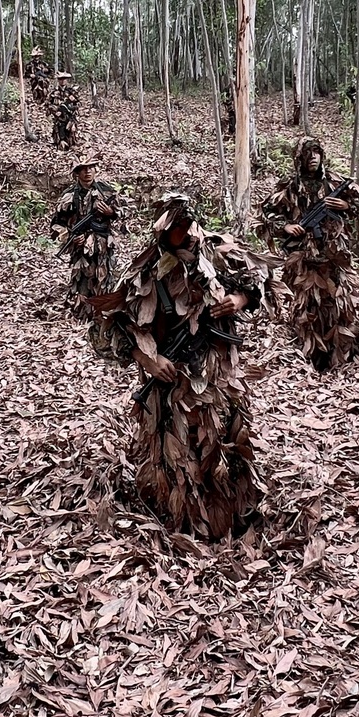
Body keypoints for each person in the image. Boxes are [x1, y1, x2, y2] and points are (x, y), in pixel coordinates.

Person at [91, 194, 265, 539]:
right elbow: (108, 327)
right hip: (174, 380)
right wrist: (147, 358)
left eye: (188, 225)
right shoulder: (146, 271)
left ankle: (234, 515)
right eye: (176, 227)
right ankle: (186, 527)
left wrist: (239, 300)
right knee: (180, 455)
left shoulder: (215, 253)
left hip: (219, 372)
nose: (184, 233)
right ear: (162, 230)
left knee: (228, 440)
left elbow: (261, 279)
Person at [258, 137, 359, 371]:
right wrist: (285, 226)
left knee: (339, 306)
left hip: (334, 257)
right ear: (299, 158)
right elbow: (265, 213)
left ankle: (346, 359)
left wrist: (346, 207)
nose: (313, 156)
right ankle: (312, 360)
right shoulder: (289, 186)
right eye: (308, 152)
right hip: (303, 260)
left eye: (317, 152)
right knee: (307, 309)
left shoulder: (335, 182)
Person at [49, 159, 123, 301]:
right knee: (83, 280)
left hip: (103, 244)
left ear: (96, 170)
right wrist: (71, 236)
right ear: (77, 173)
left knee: (104, 278)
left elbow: (125, 211)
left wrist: (111, 213)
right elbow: (57, 224)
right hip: (80, 247)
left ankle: (102, 306)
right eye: (83, 169)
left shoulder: (106, 190)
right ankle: (83, 308)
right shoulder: (69, 195)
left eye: (91, 168)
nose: (87, 172)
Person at [48, 72, 80, 150]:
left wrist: (72, 107)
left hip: (70, 116)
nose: (63, 81)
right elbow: (48, 104)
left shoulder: (72, 91)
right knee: (59, 133)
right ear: (58, 80)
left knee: (71, 133)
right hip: (59, 117)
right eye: (61, 79)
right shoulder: (53, 92)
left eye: (64, 79)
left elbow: (79, 103)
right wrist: (55, 111)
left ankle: (71, 144)